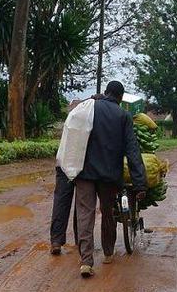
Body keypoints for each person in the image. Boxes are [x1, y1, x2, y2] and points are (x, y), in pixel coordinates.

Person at [74, 81, 147, 278]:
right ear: (121, 98)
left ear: (105, 93)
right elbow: (132, 151)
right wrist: (140, 183)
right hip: (109, 176)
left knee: (85, 215)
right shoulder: (123, 116)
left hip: (84, 173)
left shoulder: (89, 107)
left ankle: (86, 261)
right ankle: (107, 253)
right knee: (108, 213)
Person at [49, 94, 105, 255]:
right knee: (82, 205)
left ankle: (56, 241)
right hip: (82, 167)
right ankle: (79, 240)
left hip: (63, 163)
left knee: (61, 201)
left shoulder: (76, 113)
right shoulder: (95, 116)